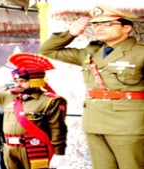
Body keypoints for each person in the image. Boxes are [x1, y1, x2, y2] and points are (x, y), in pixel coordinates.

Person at [39, 5, 144, 169]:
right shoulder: (90, 52)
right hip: (94, 123)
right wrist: (71, 34)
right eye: (96, 24)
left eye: (107, 24)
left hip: (128, 126)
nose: (99, 28)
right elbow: (47, 50)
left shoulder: (140, 53)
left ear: (127, 28)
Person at [0, 53, 67, 169]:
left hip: (34, 148)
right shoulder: (9, 96)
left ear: (36, 81)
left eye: (23, 81)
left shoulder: (50, 101)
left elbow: (57, 128)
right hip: (10, 149)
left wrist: (58, 153)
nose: (18, 85)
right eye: (16, 81)